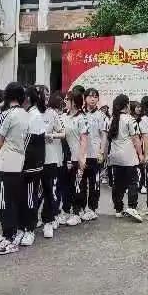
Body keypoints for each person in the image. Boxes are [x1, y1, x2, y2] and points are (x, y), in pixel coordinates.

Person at [0, 82, 29, 255]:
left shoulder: (7, 114)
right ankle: (8, 235)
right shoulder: (26, 115)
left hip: (6, 161)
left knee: (3, 202)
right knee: (12, 201)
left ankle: (9, 237)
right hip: (19, 161)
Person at [107, 94, 145, 222]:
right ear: (127, 105)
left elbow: (107, 139)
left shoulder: (111, 119)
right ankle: (132, 207)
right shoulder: (130, 119)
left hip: (115, 156)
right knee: (132, 182)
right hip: (128, 156)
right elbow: (136, 139)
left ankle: (118, 209)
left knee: (118, 183)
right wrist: (141, 154)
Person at [18, 86, 47, 246]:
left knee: (30, 198)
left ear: (27, 98)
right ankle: (21, 228)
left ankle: (29, 230)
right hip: (23, 164)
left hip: (31, 165)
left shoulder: (34, 116)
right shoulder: (27, 114)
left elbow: (28, 143)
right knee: (22, 198)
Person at [60, 90, 89, 226]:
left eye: (68, 99)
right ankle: (66, 211)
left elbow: (84, 139)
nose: (65, 101)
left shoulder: (82, 118)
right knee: (66, 186)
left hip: (77, 157)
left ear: (74, 102)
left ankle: (77, 212)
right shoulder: (63, 116)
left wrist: (82, 158)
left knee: (78, 185)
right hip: (65, 157)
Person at [41, 92, 66, 238]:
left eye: (46, 95)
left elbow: (62, 133)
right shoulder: (29, 113)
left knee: (50, 190)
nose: (44, 98)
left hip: (50, 157)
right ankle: (29, 222)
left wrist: (51, 135)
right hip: (33, 158)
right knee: (34, 192)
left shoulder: (52, 114)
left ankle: (49, 220)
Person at [83, 87, 107, 221]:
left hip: (95, 155)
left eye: (95, 96)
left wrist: (101, 152)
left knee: (95, 183)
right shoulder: (80, 114)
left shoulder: (101, 116)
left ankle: (92, 209)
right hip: (81, 155)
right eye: (90, 96)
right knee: (80, 183)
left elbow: (104, 136)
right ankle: (79, 209)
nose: (93, 99)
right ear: (85, 98)